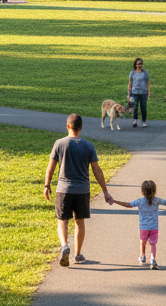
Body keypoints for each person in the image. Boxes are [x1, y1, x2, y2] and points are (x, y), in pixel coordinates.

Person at [44, 113, 114, 266]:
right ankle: (77, 254)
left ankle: (64, 246)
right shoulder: (88, 145)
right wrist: (105, 191)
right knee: (79, 221)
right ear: (81, 127)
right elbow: (97, 169)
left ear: (67, 126)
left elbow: (51, 167)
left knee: (62, 221)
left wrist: (47, 185)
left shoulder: (59, 144)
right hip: (82, 190)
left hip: (63, 189)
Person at [110, 179, 166, 270]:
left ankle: (143, 256)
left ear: (143, 191)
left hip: (143, 227)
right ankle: (153, 259)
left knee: (143, 241)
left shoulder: (140, 201)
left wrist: (115, 201)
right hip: (154, 227)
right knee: (153, 244)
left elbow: (128, 205)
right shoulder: (157, 200)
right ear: (154, 190)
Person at [127, 57, 150, 127]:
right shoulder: (132, 73)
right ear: (135, 65)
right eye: (137, 64)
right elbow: (130, 83)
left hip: (143, 93)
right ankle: (135, 120)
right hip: (134, 93)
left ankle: (143, 121)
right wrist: (128, 93)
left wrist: (149, 92)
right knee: (135, 107)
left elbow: (147, 83)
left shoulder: (145, 73)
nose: (139, 66)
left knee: (143, 107)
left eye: (140, 64)